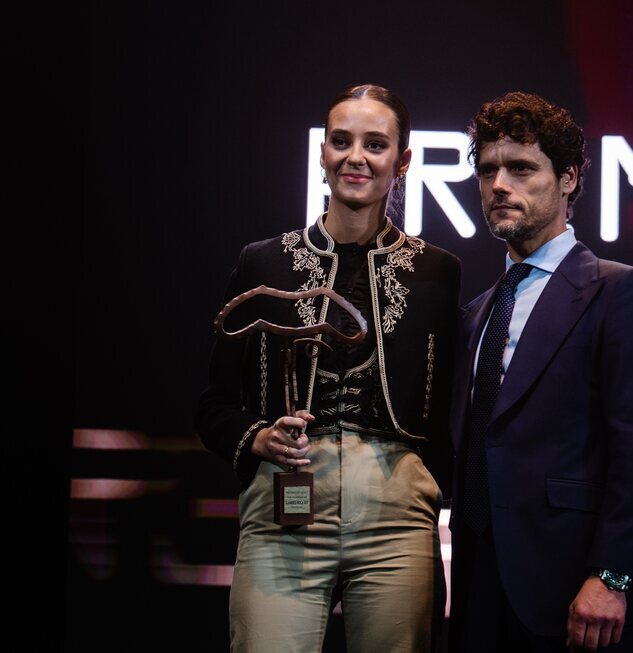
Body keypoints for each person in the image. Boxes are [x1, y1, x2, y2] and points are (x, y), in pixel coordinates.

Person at [196, 84, 460, 653]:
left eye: (375, 143)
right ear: (322, 154)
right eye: (341, 141)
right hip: (282, 505)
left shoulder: (439, 273)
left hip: (397, 512)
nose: (355, 157)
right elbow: (213, 406)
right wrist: (258, 438)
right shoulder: (262, 261)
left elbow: (450, 413)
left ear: (403, 161)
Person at [448, 92, 633, 652]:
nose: (499, 185)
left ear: (568, 179)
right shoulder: (476, 312)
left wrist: (612, 576)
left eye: (521, 168)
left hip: (578, 594)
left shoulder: (621, 291)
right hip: (476, 588)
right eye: (487, 170)